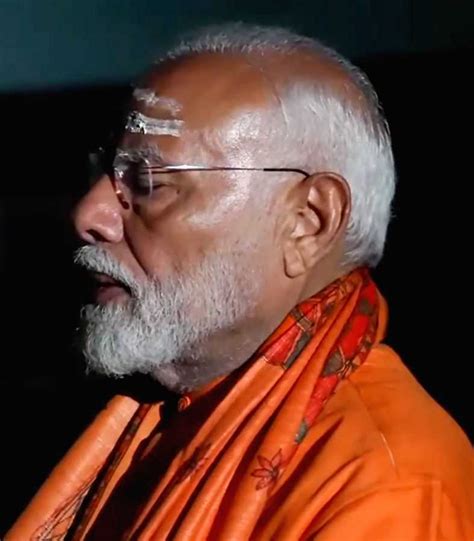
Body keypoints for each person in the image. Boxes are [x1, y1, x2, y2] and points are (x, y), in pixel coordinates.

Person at [7, 23, 473, 540]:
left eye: (150, 182)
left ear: (307, 223)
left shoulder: (386, 485)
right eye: (105, 173)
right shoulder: (162, 417)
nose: (89, 213)